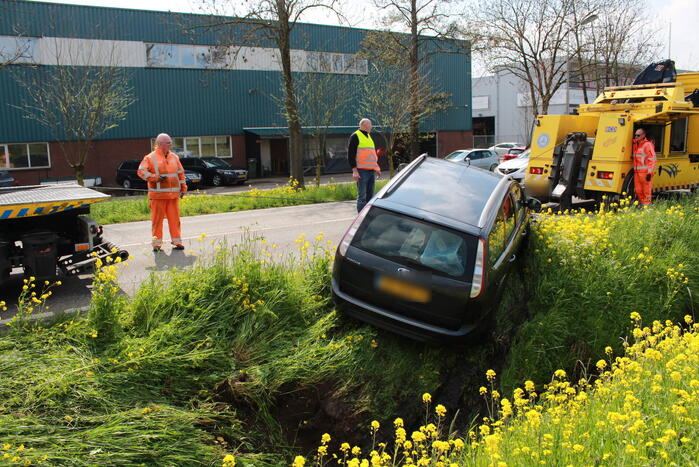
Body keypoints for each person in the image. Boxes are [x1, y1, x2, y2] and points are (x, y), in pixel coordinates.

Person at [138, 133, 187, 252]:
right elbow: (141, 172)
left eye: (170, 142)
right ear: (160, 144)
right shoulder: (150, 157)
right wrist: (155, 178)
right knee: (157, 221)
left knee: (175, 220)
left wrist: (183, 188)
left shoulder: (175, 157)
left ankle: (177, 242)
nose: (171, 144)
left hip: (173, 196)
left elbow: (181, 174)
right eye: (168, 142)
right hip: (158, 196)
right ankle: (156, 244)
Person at [347, 118, 382, 212]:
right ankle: (360, 219)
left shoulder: (369, 137)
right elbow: (350, 155)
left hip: (371, 171)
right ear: (365, 125)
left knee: (370, 196)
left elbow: (372, 156)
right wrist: (354, 170)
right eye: (370, 125)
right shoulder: (355, 136)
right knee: (362, 197)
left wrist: (376, 168)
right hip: (361, 171)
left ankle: (367, 216)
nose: (371, 127)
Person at [631, 127, 657, 206]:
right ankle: (643, 205)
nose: (636, 137)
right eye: (635, 135)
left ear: (643, 135)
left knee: (646, 191)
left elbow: (652, 159)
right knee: (638, 190)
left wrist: (649, 172)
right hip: (637, 173)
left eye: (638, 135)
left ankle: (647, 207)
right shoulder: (635, 144)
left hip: (645, 173)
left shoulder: (647, 145)